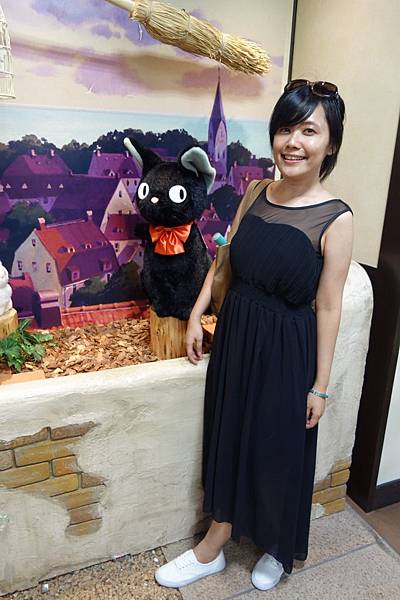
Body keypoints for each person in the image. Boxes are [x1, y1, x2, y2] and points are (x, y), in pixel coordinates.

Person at [155, 79, 354, 591]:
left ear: (330, 143)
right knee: (229, 437)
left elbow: (329, 306)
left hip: (287, 348)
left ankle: (276, 544)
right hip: (238, 336)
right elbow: (224, 259)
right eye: (285, 129)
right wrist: (198, 312)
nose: (293, 142)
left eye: (308, 131)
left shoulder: (335, 218)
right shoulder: (256, 193)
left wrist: (320, 385)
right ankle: (213, 546)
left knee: (274, 447)